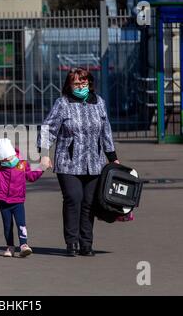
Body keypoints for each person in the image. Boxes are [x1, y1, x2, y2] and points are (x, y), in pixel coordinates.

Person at [37, 67, 119, 257]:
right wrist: (44, 153)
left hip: (94, 163)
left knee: (89, 203)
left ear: (89, 83)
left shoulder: (99, 102)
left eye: (84, 82)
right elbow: (47, 128)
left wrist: (113, 157)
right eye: (76, 83)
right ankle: (72, 242)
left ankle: (86, 243)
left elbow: (105, 131)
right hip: (69, 162)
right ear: (69, 85)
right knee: (74, 199)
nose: (81, 85)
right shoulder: (62, 103)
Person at [0, 138, 44, 258]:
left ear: (14, 154)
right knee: (7, 225)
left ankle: (24, 245)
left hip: (18, 201)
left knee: (21, 224)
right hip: (4, 201)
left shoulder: (20, 164)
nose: (8, 161)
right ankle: (10, 247)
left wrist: (41, 168)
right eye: (5, 160)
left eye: (10, 158)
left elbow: (31, 176)